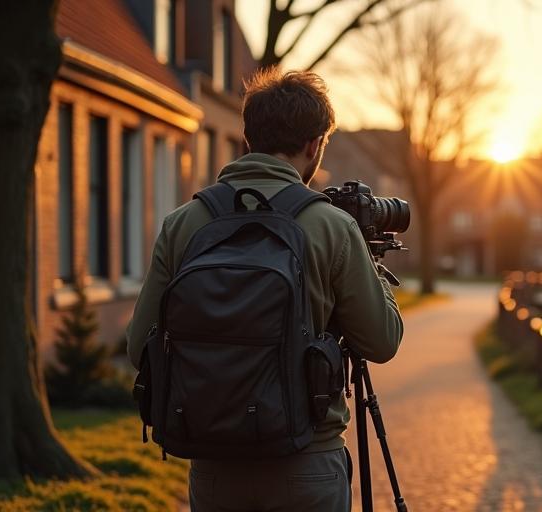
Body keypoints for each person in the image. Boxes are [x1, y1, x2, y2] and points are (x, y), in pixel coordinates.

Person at [126, 68, 403, 512]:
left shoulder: (184, 223)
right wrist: (371, 263)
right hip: (307, 464)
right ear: (315, 144)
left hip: (214, 468)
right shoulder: (331, 226)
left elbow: (139, 346)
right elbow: (383, 341)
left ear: (247, 136)